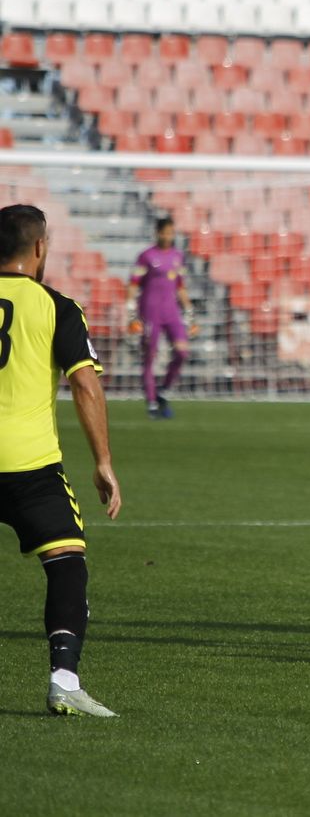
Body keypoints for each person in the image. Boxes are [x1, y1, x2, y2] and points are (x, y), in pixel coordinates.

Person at [0, 204, 123, 716]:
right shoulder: (57, 306)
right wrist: (103, 462)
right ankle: (64, 680)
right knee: (67, 562)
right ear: (39, 247)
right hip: (30, 465)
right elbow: (85, 386)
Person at [127, 216, 191, 419]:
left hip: (171, 311)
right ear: (157, 233)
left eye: (171, 232)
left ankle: (164, 390)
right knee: (149, 356)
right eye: (165, 232)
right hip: (150, 311)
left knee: (182, 351)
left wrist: (189, 308)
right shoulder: (146, 256)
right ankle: (152, 402)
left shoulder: (177, 256)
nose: (168, 236)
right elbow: (134, 283)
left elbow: (180, 286)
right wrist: (130, 307)